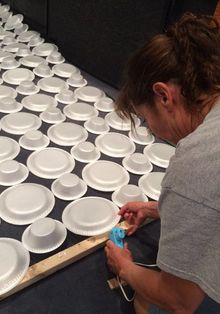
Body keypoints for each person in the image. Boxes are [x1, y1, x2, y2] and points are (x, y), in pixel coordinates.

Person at [105, 12, 220, 314]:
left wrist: (124, 267)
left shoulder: (197, 160)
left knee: (150, 303)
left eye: (145, 119)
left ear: (163, 96)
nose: (150, 130)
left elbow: (180, 301)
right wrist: (160, 208)